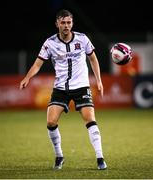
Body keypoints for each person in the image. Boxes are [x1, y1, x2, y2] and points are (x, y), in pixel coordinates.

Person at [19, 9, 107, 170]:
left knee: (90, 119)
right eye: (63, 22)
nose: (66, 25)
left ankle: (100, 157)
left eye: (69, 22)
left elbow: (93, 59)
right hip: (60, 88)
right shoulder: (50, 43)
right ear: (57, 23)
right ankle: (59, 156)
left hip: (81, 87)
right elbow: (38, 63)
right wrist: (27, 77)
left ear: (72, 23)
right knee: (51, 121)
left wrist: (99, 81)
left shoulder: (82, 39)